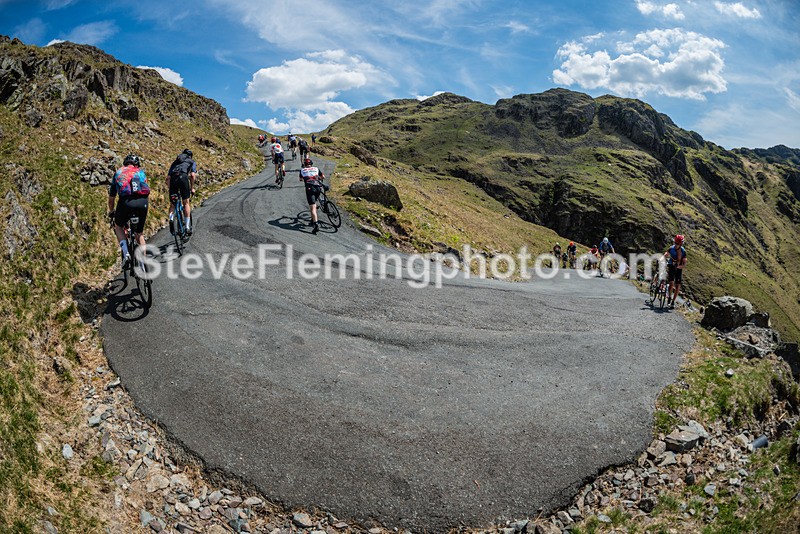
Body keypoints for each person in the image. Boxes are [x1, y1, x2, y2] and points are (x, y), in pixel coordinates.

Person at [108, 154, 150, 266]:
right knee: (139, 234)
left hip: (125, 203)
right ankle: (143, 265)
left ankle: (126, 253)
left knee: (118, 226)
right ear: (136, 164)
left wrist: (112, 212)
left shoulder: (118, 172)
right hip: (142, 202)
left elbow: (111, 198)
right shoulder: (140, 172)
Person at [167, 148, 197, 236]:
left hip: (173, 180)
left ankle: (171, 218)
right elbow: (192, 175)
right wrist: (192, 188)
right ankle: (187, 227)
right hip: (183, 178)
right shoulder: (191, 161)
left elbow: (167, 178)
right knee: (186, 203)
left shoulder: (175, 162)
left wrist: (171, 189)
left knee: (173, 204)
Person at [299, 157, 329, 235]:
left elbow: (300, 179)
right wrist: (318, 178)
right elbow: (323, 177)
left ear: (305, 165)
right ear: (311, 164)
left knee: (312, 208)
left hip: (310, 188)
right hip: (318, 186)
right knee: (317, 197)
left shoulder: (302, 170)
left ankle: (315, 224)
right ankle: (323, 204)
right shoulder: (316, 168)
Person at [665, 234, 687, 308]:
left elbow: (684, 264)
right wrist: (665, 256)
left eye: (678, 243)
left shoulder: (683, 251)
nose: (676, 244)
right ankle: (669, 297)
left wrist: (678, 266)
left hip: (678, 268)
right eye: (676, 243)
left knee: (678, 286)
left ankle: (673, 301)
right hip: (671, 266)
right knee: (671, 283)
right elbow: (666, 254)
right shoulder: (671, 248)